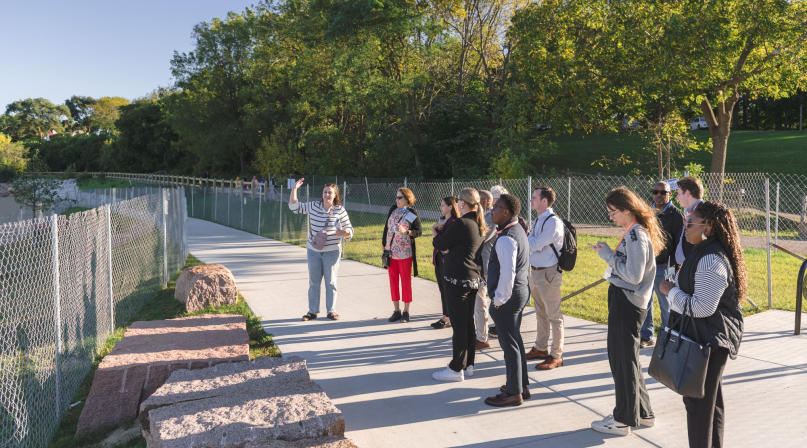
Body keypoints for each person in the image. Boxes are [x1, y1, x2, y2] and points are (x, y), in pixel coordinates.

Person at [659, 201, 745, 448]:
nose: (685, 226)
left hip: (708, 341)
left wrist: (670, 291)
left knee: (698, 404)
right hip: (704, 337)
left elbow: (702, 307)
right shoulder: (701, 250)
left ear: (707, 226)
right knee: (709, 403)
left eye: (690, 222)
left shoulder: (711, 259)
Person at [590, 186, 665, 436]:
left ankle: (623, 420)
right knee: (628, 360)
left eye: (613, 212)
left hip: (628, 302)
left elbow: (633, 276)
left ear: (627, 209)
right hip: (629, 303)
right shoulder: (635, 232)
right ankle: (643, 413)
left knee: (622, 361)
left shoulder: (636, 235)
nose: (611, 216)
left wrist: (608, 255)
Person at [432, 188, 487, 382]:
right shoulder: (478, 223)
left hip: (457, 280)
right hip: (472, 279)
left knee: (459, 324)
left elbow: (440, 243)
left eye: (457, 202)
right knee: (467, 323)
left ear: (462, 204)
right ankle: (468, 364)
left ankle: (456, 368)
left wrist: (436, 232)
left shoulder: (463, 223)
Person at [484, 194, 531, 407]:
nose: (492, 210)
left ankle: (513, 392)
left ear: (507, 212)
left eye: (496, 207)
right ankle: (521, 385)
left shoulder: (506, 237)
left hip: (508, 297)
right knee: (515, 340)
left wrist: (499, 301)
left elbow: (507, 274)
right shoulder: (517, 229)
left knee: (509, 344)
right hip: (520, 292)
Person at [288, 178, 354, 321]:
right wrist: (294, 190)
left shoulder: (339, 210)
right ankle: (312, 311)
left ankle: (331, 311)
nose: (327, 195)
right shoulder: (313, 206)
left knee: (331, 282)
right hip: (313, 251)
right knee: (314, 282)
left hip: (332, 251)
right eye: (325, 192)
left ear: (335, 195)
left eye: (330, 192)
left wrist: (344, 232)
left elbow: (349, 229)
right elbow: (294, 207)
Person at [640, 181, 684, 348]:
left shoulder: (676, 215)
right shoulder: (647, 213)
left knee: (666, 303)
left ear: (669, 194)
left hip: (665, 267)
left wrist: (671, 265)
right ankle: (647, 336)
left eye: (663, 192)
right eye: (656, 192)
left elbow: (680, 242)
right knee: (645, 301)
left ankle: (669, 336)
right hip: (646, 265)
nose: (659, 195)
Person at [526, 187, 565, 370]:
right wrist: (532, 243)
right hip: (535, 272)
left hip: (548, 273)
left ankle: (556, 355)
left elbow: (535, 243)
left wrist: (531, 242)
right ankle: (541, 348)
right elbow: (532, 243)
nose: (531, 200)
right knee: (540, 313)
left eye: (534, 197)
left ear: (544, 201)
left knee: (554, 316)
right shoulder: (538, 219)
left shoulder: (553, 222)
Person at [382, 188, 423, 323]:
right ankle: (396, 311)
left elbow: (418, 231)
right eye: (397, 197)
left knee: (405, 282)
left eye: (400, 198)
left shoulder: (412, 213)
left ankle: (406, 311)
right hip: (391, 252)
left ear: (407, 199)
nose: (397, 200)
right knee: (393, 282)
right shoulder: (393, 209)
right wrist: (384, 244)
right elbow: (386, 228)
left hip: (405, 253)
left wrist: (407, 231)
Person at [430, 196, 460, 329]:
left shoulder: (453, 222)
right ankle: (446, 316)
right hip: (439, 259)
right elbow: (436, 243)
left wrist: (433, 230)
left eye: (443, 205)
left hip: (446, 260)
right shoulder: (442, 221)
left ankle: (448, 317)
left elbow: (443, 243)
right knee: (442, 289)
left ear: (450, 207)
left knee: (447, 290)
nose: (441, 207)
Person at [474, 190, 496, 350]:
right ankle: (481, 334)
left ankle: (483, 337)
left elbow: (481, 236)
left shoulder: (490, 217)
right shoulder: (480, 215)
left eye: (477, 200)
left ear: (485, 201)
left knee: (481, 301)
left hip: (485, 266)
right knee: (479, 302)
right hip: (478, 265)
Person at [675, 176, 704, 267]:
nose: (677, 197)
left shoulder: (701, 214)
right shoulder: (693, 212)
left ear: (687, 193)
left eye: (679, 194)